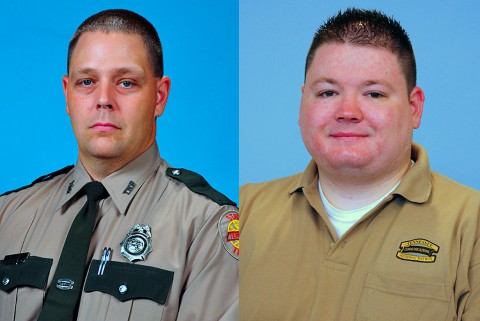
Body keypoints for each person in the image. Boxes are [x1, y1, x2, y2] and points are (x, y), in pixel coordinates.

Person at [239, 8, 480, 321]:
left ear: (414, 108)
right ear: (302, 103)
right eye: (327, 92)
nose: (348, 111)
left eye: (374, 94)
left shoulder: (472, 226)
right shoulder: (242, 210)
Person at [0, 9, 238, 321]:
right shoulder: (7, 214)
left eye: (125, 83)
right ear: (67, 93)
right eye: (86, 81)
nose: (103, 99)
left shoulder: (206, 227)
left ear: (159, 96)